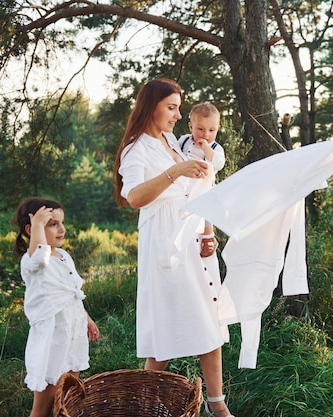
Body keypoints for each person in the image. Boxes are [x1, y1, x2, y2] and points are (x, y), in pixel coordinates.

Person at [113, 78, 234, 417]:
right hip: (166, 242)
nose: (178, 115)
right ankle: (141, 405)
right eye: (171, 107)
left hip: (193, 238)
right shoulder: (136, 148)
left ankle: (216, 403)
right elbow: (133, 196)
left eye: (179, 108)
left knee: (208, 319)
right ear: (150, 106)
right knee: (168, 325)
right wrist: (175, 169)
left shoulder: (170, 140)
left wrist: (208, 230)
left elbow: (198, 188)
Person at [12, 197, 100, 417]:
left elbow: (72, 293)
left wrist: (86, 319)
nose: (62, 229)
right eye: (52, 224)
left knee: (68, 400)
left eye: (62, 223)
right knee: (43, 406)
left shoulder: (63, 256)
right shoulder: (33, 260)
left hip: (72, 334)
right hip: (52, 341)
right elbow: (40, 259)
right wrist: (39, 226)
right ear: (32, 229)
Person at [178, 102, 226, 257]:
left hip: (203, 187)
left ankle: (208, 237)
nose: (206, 134)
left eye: (211, 130)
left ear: (217, 128)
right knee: (185, 211)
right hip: (184, 186)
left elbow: (219, 163)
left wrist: (206, 148)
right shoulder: (184, 140)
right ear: (191, 126)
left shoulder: (215, 148)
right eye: (200, 129)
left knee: (206, 210)